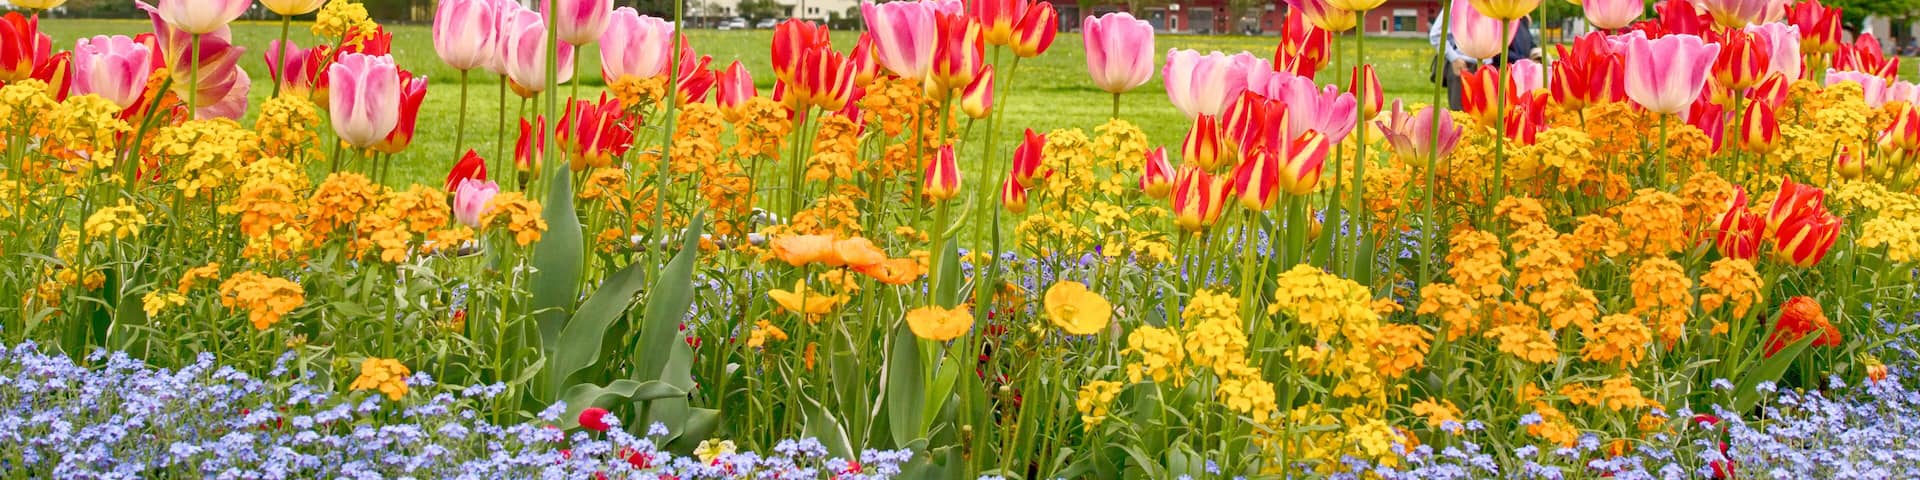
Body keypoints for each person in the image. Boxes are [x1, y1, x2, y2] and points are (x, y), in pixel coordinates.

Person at [1430, 14, 1540, 111]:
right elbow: (1436, 34)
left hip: (1487, 68)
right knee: (1462, 114)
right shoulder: (1458, 2)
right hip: (1463, 64)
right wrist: (1454, 58)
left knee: (1484, 117)